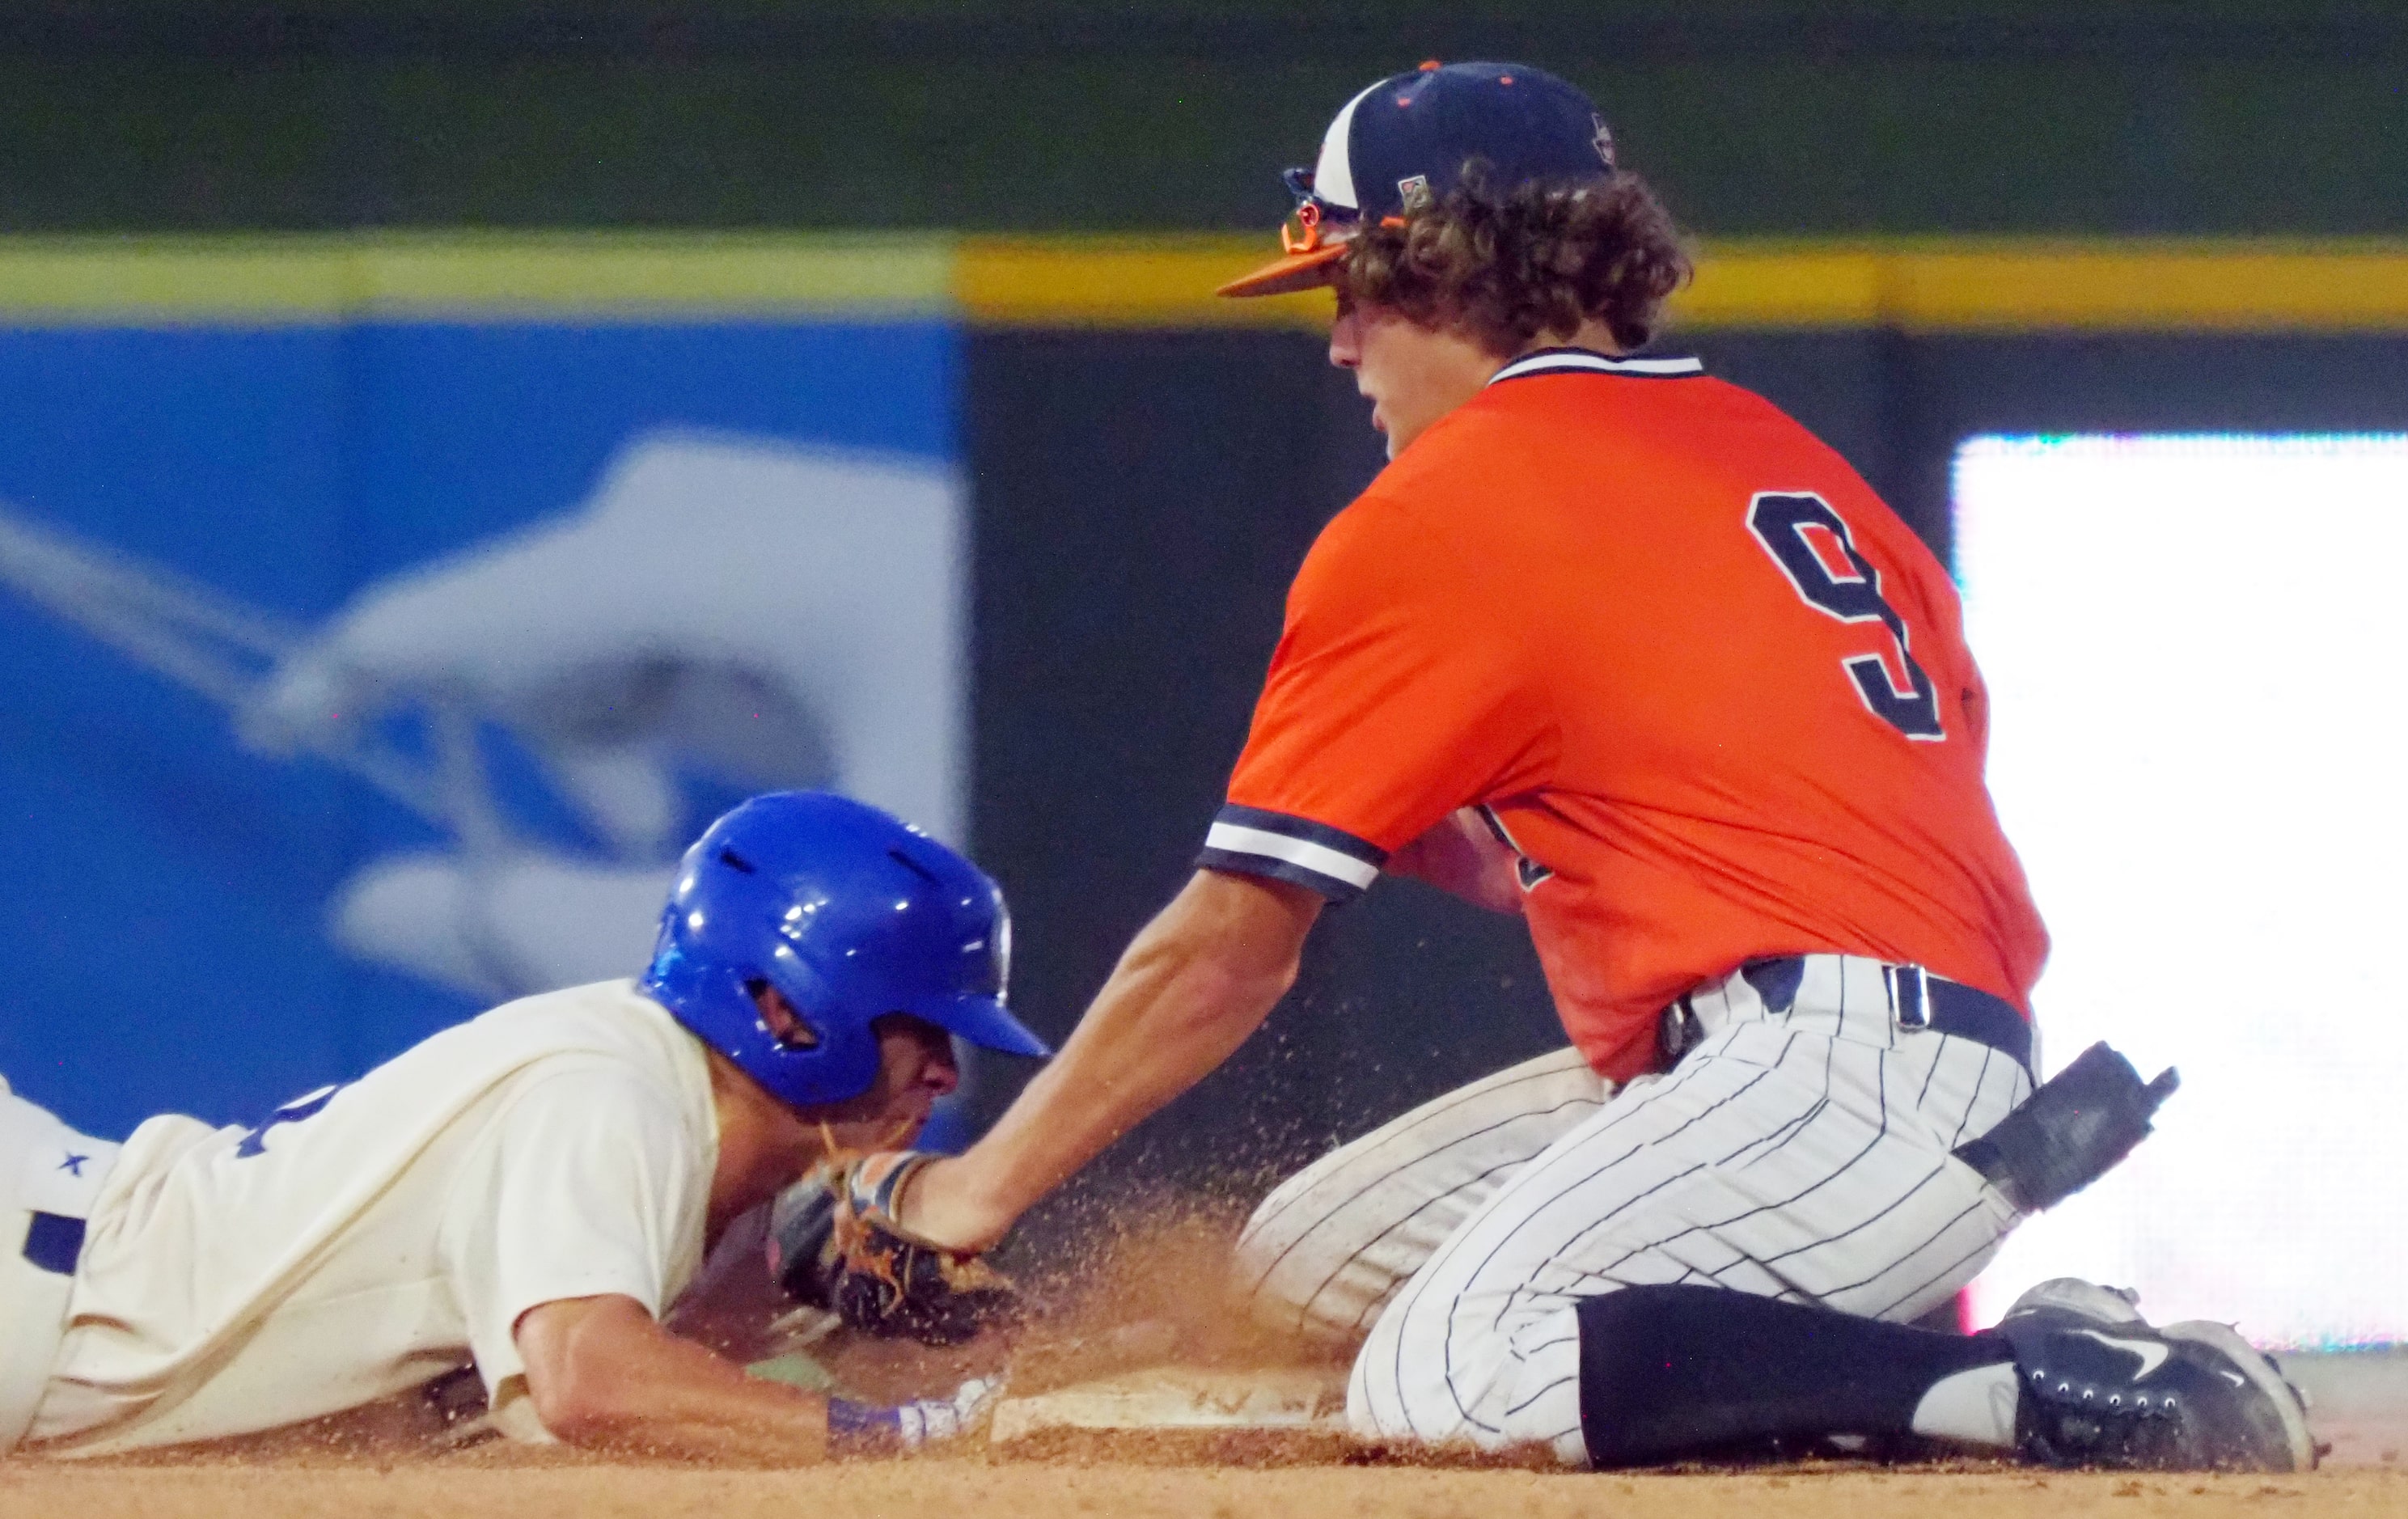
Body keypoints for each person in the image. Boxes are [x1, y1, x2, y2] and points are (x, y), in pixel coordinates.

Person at [870, 61, 2316, 1471]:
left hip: (1829, 1085)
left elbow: (1222, 957)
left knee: (1447, 1370)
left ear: (1431, 262)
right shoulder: (1783, 456)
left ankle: (2030, 1378)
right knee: (1298, 1269)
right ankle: (1789, 1344)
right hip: (1889, 1058)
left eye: (1347, 290)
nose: (1337, 345)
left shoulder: (1450, 501)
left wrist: (965, 1194)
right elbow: (1790, 815)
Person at [0, 790, 1047, 1460]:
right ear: (784, 1005)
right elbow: (595, 1381)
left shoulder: (708, 1133)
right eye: (918, 1028)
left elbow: (678, 1377)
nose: (946, 1070)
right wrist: (886, 1432)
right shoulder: (606, 1093)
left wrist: (950, 1353)